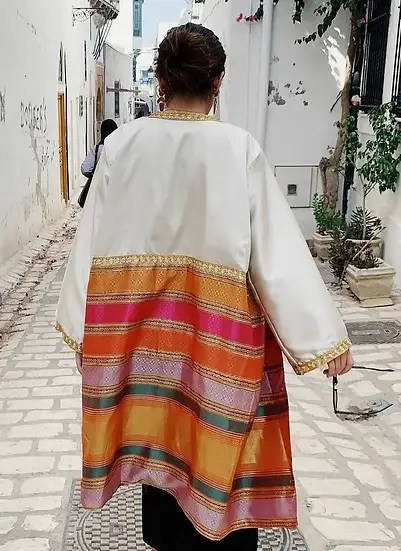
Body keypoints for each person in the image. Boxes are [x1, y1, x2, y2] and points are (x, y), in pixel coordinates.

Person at [56, 23, 353, 551]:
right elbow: (278, 256)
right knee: (220, 454)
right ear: (218, 82)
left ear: (161, 82)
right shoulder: (239, 150)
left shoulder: (120, 147)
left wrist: (84, 334)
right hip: (218, 350)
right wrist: (324, 340)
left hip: (145, 352)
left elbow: (89, 251)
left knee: (158, 447)